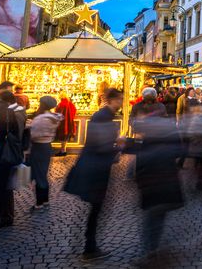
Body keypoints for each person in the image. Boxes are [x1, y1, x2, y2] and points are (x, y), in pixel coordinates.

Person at [63, 88, 124, 261]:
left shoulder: (104, 117)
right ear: (111, 100)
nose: (121, 103)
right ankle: (89, 248)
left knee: (95, 208)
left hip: (95, 168)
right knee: (96, 208)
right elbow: (101, 146)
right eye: (119, 100)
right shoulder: (103, 117)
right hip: (94, 170)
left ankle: (88, 244)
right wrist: (119, 144)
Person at [133, 112, 185, 259]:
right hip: (167, 181)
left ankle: (148, 251)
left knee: (151, 217)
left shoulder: (148, 138)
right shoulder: (169, 134)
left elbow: (142, 160)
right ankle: (152, 248)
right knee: (157, 216)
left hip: (152, 183)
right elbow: (180, 150)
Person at [0, 89, 26, 235]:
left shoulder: (4, 114)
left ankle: (0, 220)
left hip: (2, 154)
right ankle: (0, 220)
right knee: (4, 188)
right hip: (9, 152)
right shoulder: (17, 111)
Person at [28, 95, 62, 209]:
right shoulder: (53, 118)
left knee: (39, 174)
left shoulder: (40, 118)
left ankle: (39, 202)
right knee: (43, 173)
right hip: (47, 146)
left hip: (39, 147)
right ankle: (45, 199)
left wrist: (29, 126)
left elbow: (34, 135)